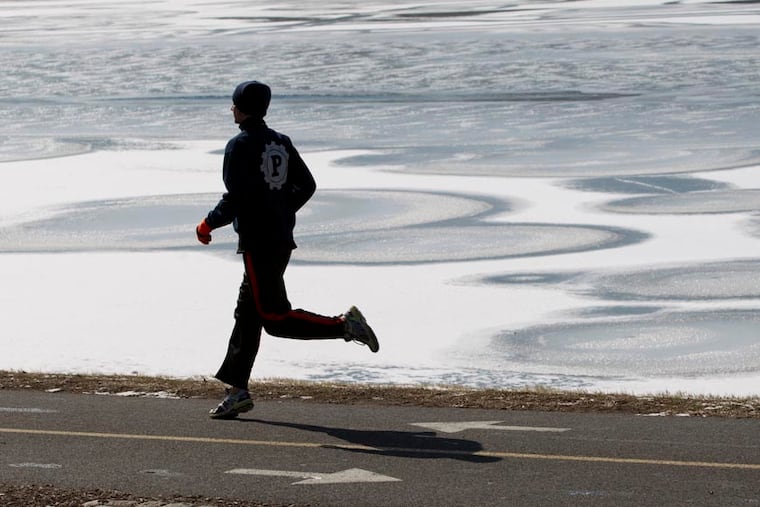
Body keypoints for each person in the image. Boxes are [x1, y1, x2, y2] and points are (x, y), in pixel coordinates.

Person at [196, 80, 379, 419]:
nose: (231, 109)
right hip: (279, 238)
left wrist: (206, 225)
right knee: (247, 315)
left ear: (242, 108)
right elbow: (307, 185)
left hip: (259, 242)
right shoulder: (280, 142)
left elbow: (234, 199)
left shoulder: (239, 146)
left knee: (275, 317)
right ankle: (237, 391)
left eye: (233, 104)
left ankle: (345, 325)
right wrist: (281, 210)